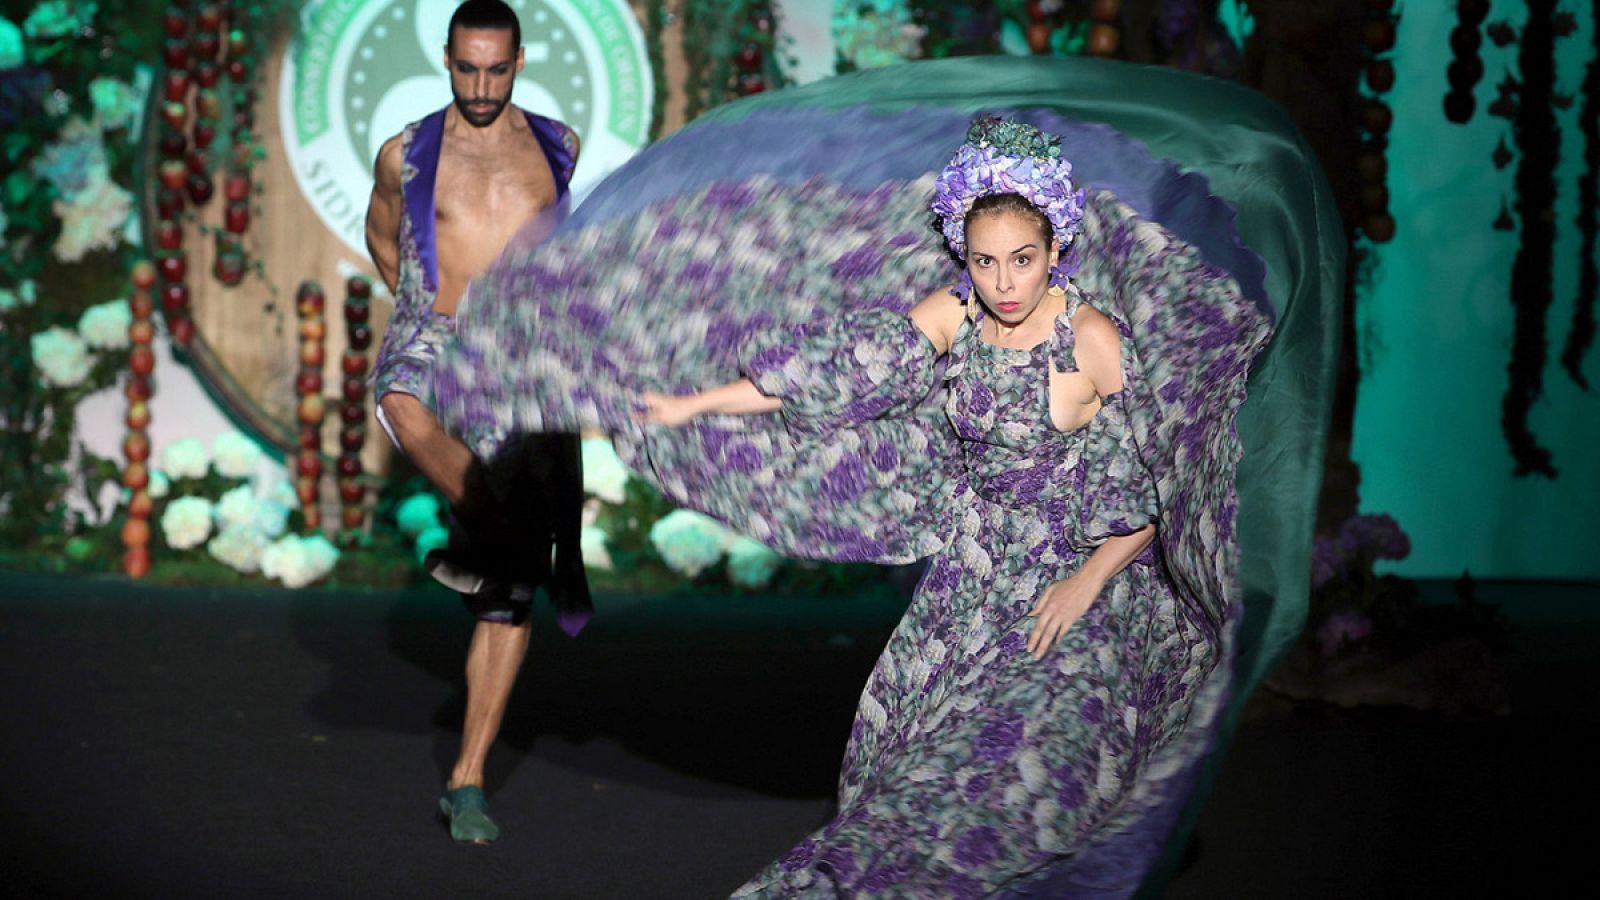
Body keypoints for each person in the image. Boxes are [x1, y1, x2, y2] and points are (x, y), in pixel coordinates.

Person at [431, 54, 1334, 893]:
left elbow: (1171, 480)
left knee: (1015, 772)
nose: (1004, 281)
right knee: (905, 772)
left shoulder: (1094, 338)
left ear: (1056, 251)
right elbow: (840, 373)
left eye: (1022, 261)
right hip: (966, 589)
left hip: (1078, 592)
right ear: (964, 256)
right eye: (984, 261)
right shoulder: (956, 313)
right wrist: (693, 405)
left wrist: (1092, 578)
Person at [364, 0, 588, 844]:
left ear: (519, 62)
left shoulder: (560, 146)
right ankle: (491, 527)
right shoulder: (405, 154)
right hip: (436, 334)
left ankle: (465, 782)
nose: (481, 84)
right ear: (448, 59)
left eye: (497, 69)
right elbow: (384, 238)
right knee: (404, 400)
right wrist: (421, 311)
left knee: (510, 597)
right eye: (467, 68)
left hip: (521, 356)